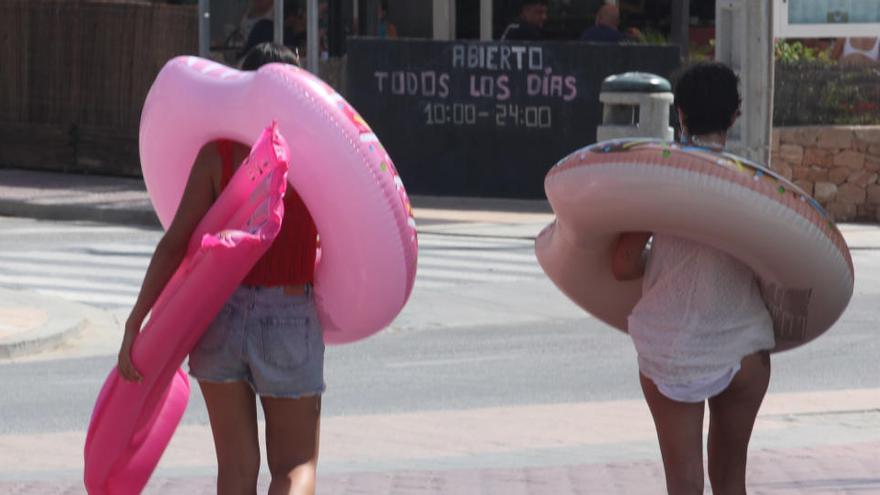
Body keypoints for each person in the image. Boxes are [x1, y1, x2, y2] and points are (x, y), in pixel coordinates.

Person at [117, 43, 323, 495]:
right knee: (294, 464)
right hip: (288, 313)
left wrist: (138, 319)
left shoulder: (218, 155)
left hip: (218, 317)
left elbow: (176, 244)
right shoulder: (316, 154)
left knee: (235, 468)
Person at [612, 62, 775, 494]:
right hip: (742, 347)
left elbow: (623, 264)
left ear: (679, 114)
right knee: (730, 480)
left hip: (671, 350)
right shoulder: (756, 185)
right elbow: (776, 269)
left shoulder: (659, 181)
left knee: (683, 483)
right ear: (734, 116)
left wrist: (662, 265)